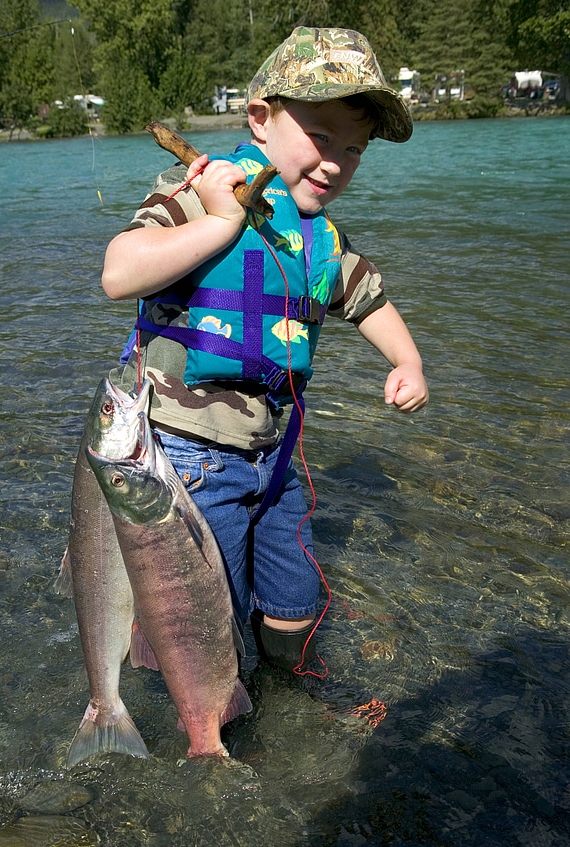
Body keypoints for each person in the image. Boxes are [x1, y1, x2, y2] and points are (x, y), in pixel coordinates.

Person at [101, 26, 429, 678]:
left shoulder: (318, 235)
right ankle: (214, 725)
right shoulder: (203, 188)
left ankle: (291, 691)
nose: (336, 160)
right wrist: (220, 221)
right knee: (202, 609)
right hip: (186, 453)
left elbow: (366, 298)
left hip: (276, 454)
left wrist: (407, 363)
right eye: (321, 136)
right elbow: (119, 273)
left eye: (355, 148)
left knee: (294, 599)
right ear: (259, 118)